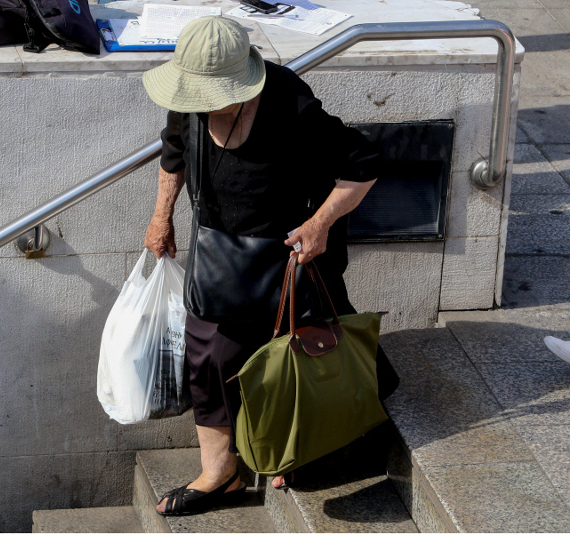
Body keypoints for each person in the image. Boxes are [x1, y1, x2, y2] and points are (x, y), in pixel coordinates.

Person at [141, 16, 399, 516]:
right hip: (220, 258)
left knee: (295, 357)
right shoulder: (189, 96)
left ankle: (294, 442)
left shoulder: (287, 99)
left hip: (288, 257)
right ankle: (222, 472)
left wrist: (320, 223)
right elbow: (173, 157)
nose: (204, 102)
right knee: (209, 356)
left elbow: (362, 163)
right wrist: (160, 218)